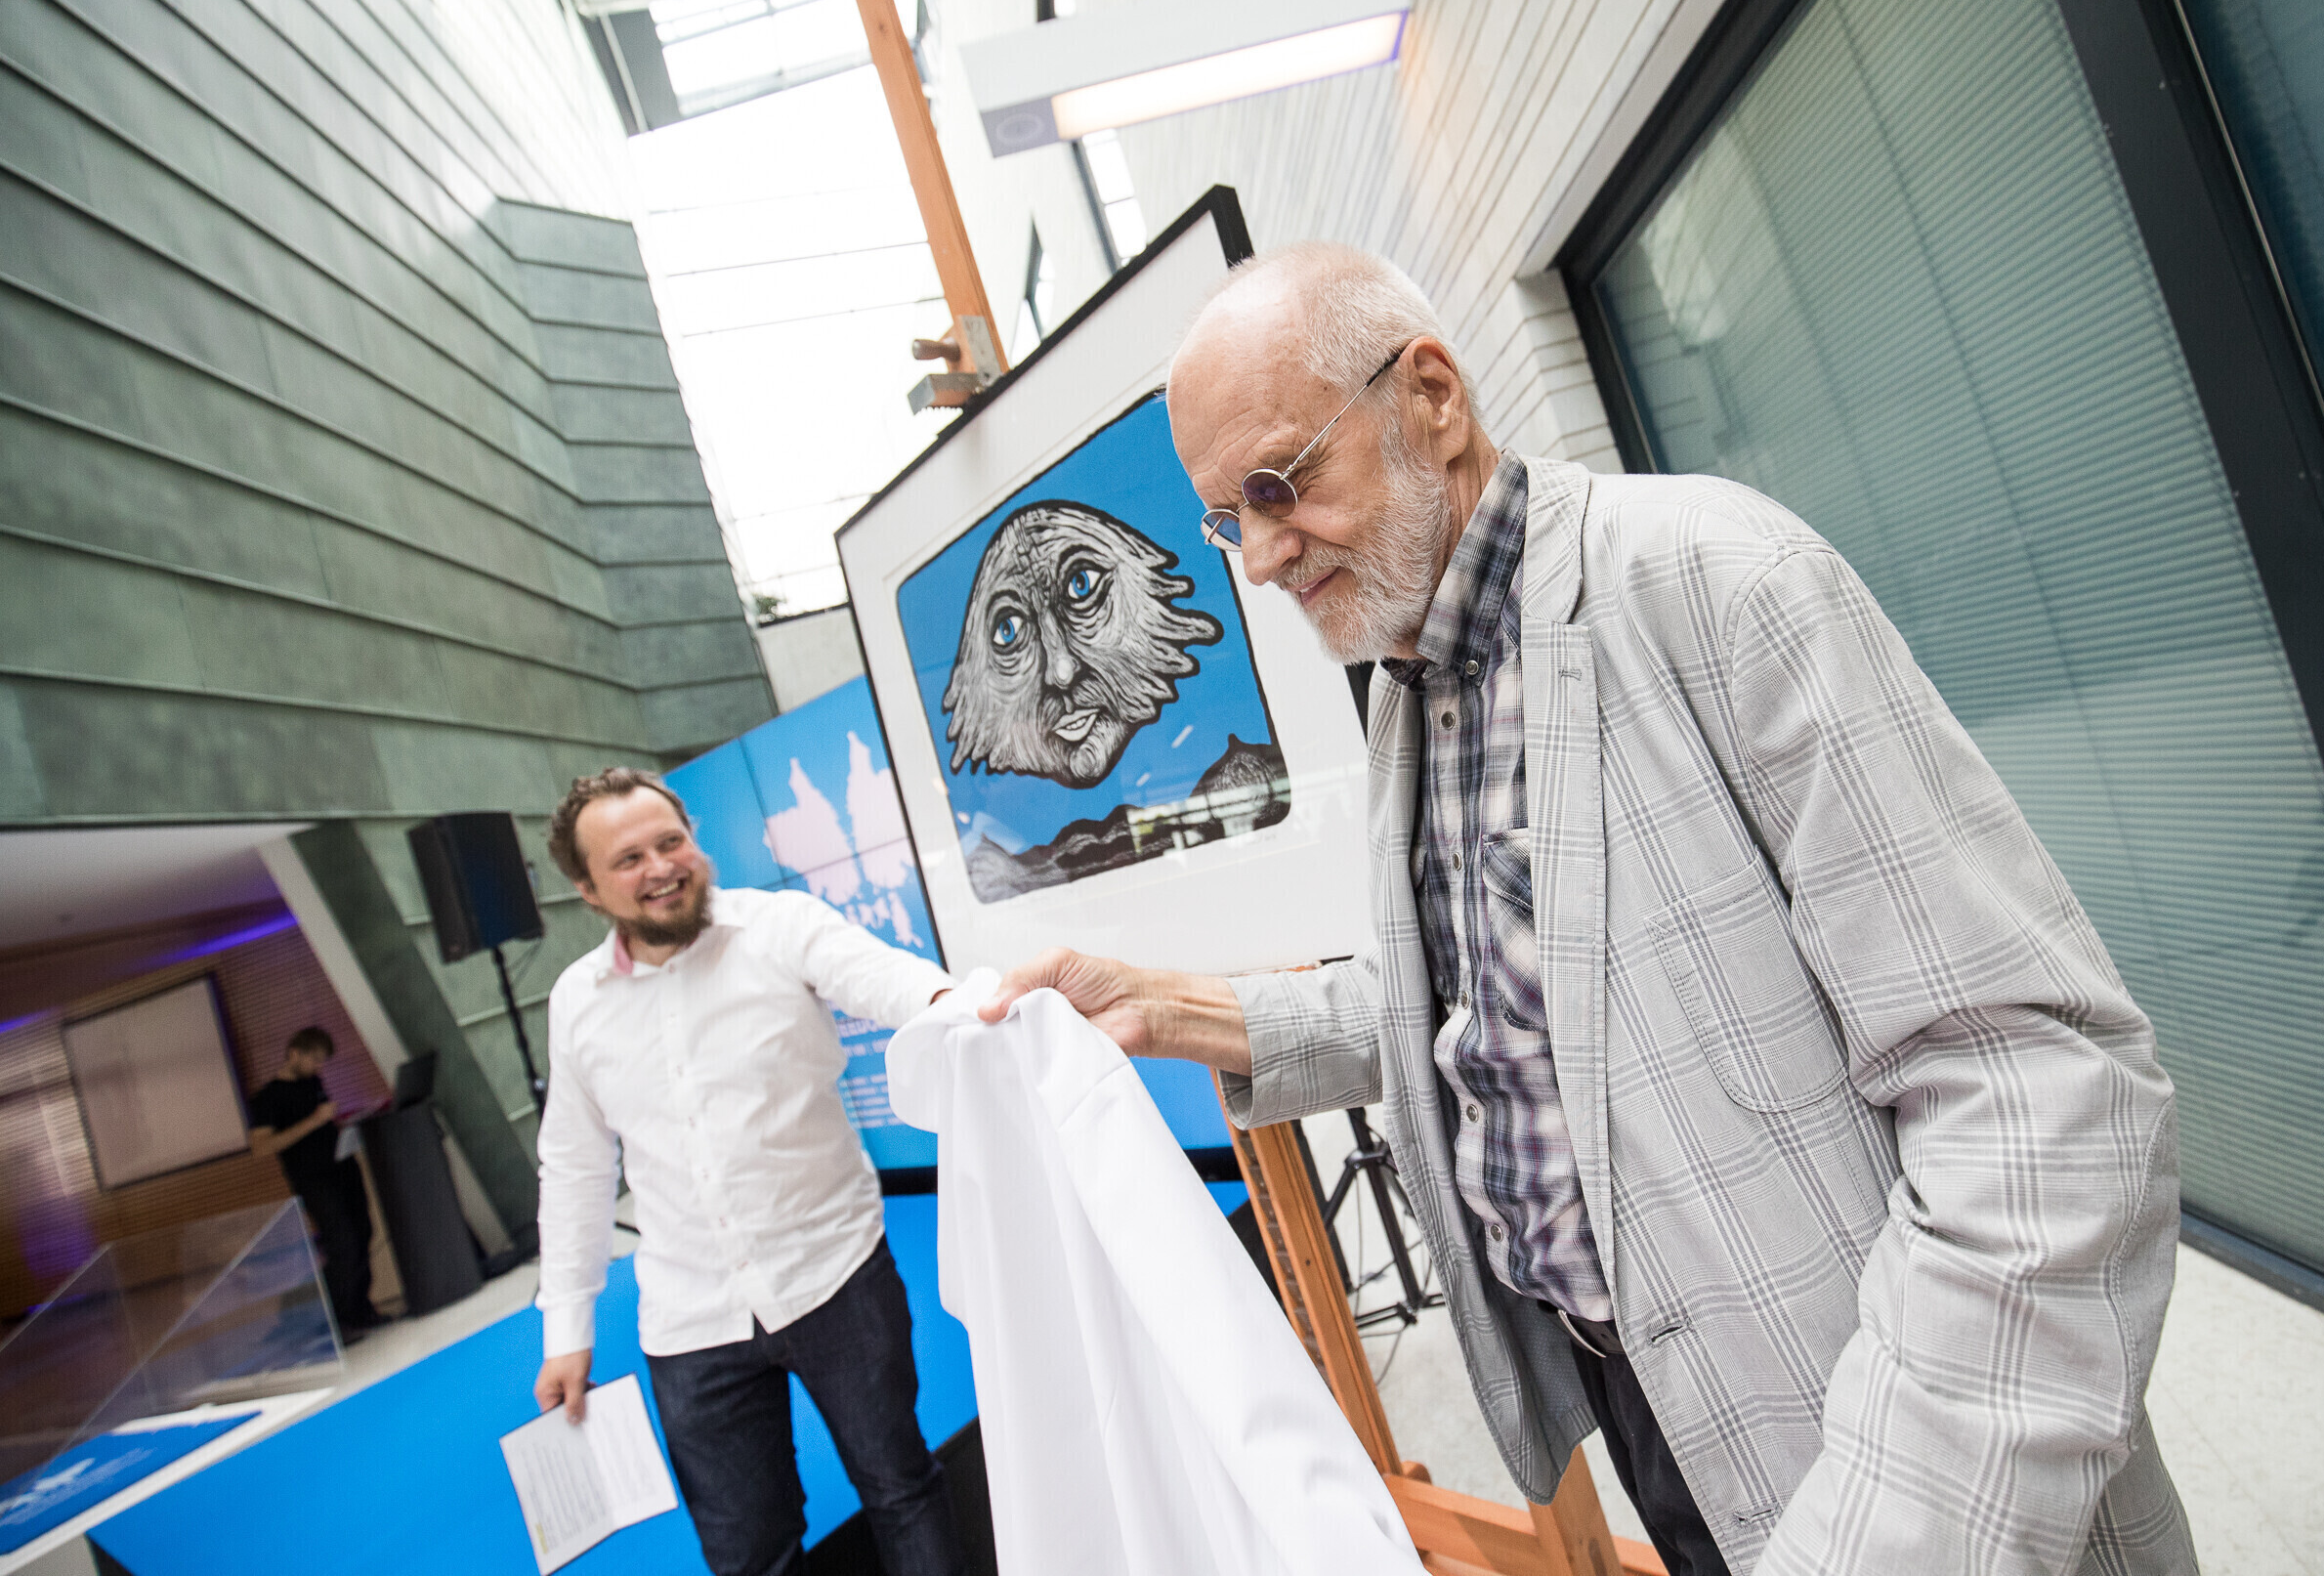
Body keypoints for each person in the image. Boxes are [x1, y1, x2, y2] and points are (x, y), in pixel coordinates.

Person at [991, 244, 2196, 1575]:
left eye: (1279, 484)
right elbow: (1493, 993)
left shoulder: (1711, 575)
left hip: (1885, 1443)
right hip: (1654, 1407)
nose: (1263, 557)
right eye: (1229, 518)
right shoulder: (1412, 684)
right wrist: (1168, 1008)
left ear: (1431, 397)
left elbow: (2038, 1093)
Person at [532, 767, 966, 1576]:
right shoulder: (577, 1000)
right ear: (587, 888)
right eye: (628, 859)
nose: (661, 867)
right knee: (748, 1554)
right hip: (689, 1317)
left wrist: (958, 1004)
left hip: (835, 1274)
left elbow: (884, 977)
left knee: (901, 1487)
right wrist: (567, 1331)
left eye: (670, 841)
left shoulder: (780, 926)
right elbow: (574, 1167)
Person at [248, 1025, 386, 1339]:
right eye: (314, 1059)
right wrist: (314, 1121)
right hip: (313, 1179)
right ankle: (329, 1322)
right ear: (294, 1053)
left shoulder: (313, 1082)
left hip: (342, 1167)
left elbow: (323, 1124)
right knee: (342, 1243)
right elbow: (261, 1147)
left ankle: (359, 1310)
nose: (318, 1067)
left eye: (322, 1061)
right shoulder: (267, 1098)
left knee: (362, 1233)